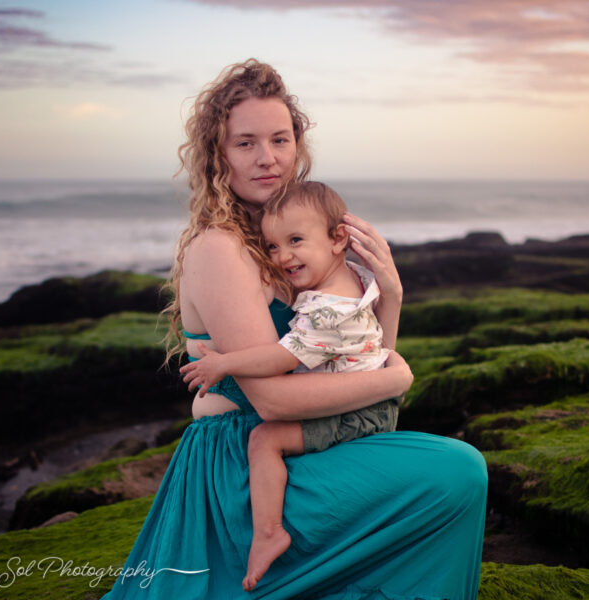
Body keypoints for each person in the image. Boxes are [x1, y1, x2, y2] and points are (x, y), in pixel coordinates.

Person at [101, 59, 488, 600]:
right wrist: (395, 381)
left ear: (298, 144)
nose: (268, 159)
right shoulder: (220, 247)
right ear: (218, 155)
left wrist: (392, 296)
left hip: (309, 441)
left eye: (280, 139)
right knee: (457, 470)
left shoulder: (290, 241)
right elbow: (275, 402)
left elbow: (359, 354)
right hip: (245, 464)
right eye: (246, 143)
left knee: (458, 473)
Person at [179, 181, 401, 591]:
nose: (282, 257)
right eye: (273, 248)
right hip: (357, 403)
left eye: (294, 241)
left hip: (354, 412)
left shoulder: (325, 310)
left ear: (338, 238)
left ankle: (269, 532)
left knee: (265, 441)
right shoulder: (348, 277)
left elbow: (282, 358)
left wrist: (225, 363)